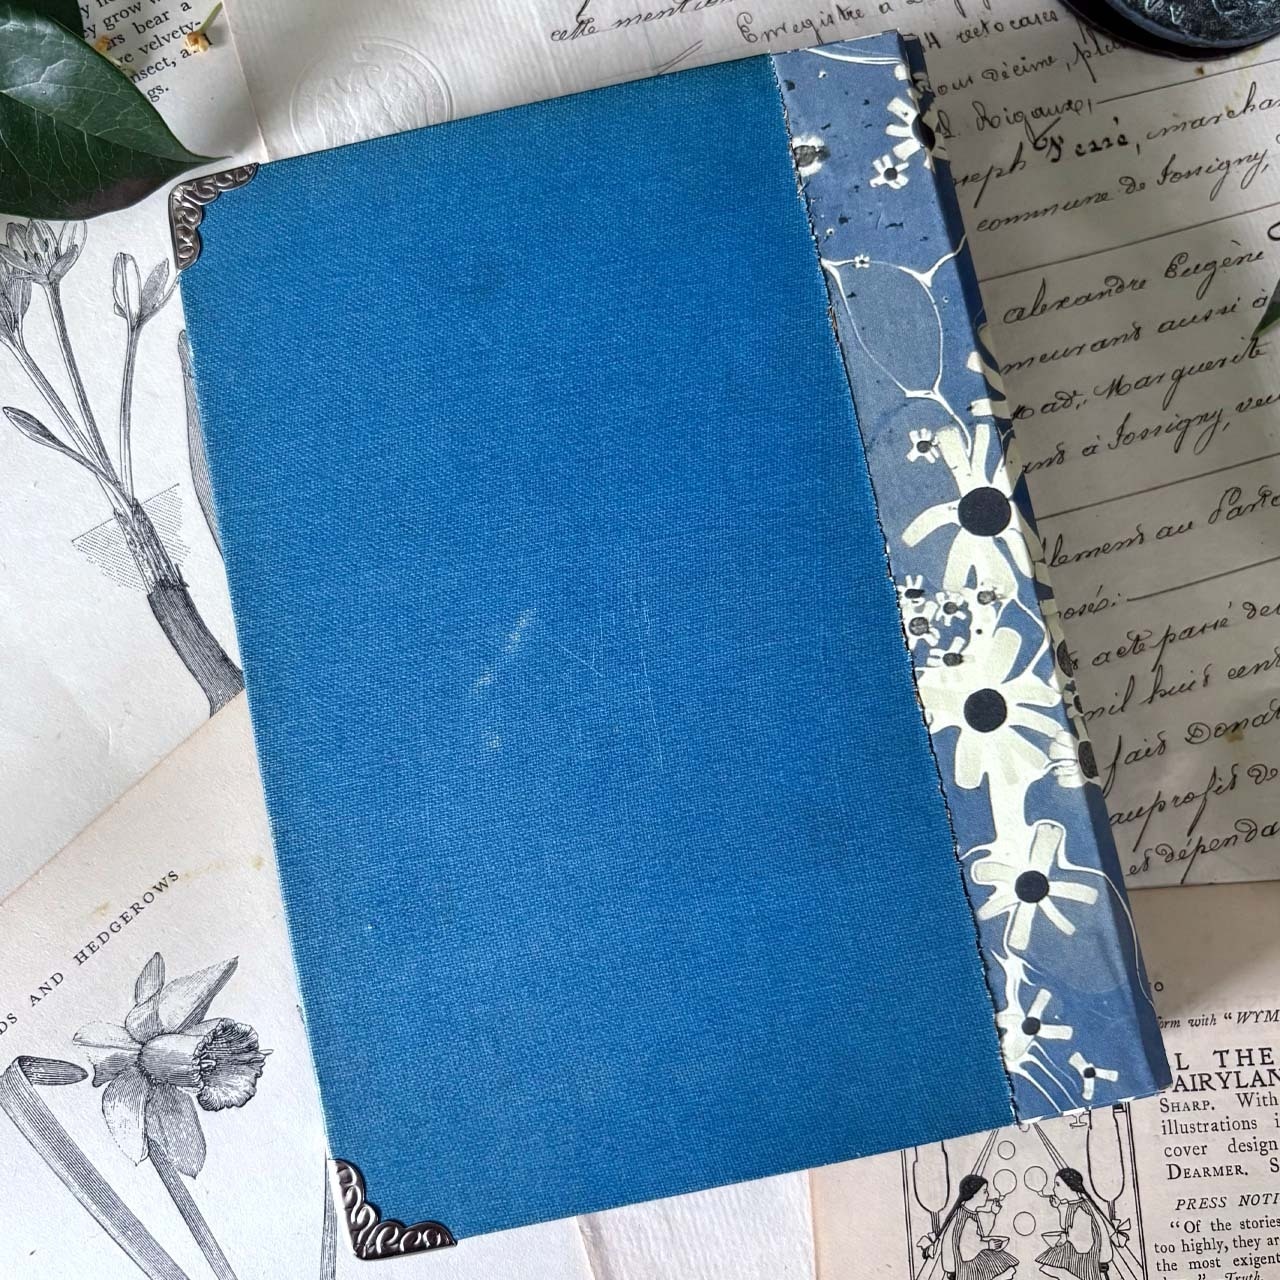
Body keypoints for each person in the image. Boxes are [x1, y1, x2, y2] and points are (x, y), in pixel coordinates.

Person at [925, 1174, 1019, 1280]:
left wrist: (992, 1213)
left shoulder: (964, 1212)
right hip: (962, 1267)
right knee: (1005, 1270)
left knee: (1002, 1265)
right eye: (984, 1191)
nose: (988, 1195)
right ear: (973, 1195)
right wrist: (989, 1245)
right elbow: (967, 1251)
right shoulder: (968, 1218)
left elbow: (979, 1235)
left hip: (956, 1264)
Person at [1035, 1168, 1116, 1279]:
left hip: (1084, 1260)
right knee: (1051, 1264)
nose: (1054, 1189)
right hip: (1077, 1254)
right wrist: (1060, 1207)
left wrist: (1066, 1238)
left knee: (1054, 1266)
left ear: (1070, 1186)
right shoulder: (1072, 1205)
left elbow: (1084, 1245)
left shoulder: (1081, 1208)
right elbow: (1065, 1226)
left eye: (1058, 1185)